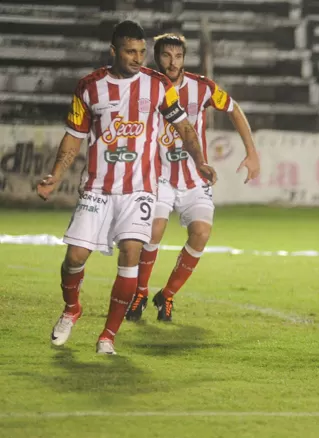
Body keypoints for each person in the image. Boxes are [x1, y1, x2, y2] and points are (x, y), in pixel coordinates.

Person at [39, 20, 216, 355]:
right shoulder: (89, 87)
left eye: (141, 51)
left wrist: (200, 160)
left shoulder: (159, 85)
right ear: (114, 51)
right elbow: (74, 137)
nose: (137, 58)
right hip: (97, 188)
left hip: (140, 190)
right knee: (74, 257)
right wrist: (56, 174)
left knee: (132, 252)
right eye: (130, 51)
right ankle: (71, 308)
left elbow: (185, 127)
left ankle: (108, 336)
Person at [124, 33, 260, 323]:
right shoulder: (144, 85)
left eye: (178, 56)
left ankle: (167, 295)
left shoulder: (202, 88)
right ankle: (141, 291)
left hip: (194, 176)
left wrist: (252, 152)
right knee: (154, 230)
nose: (173, 63)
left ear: (184, 59)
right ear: (156, 58)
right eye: (166, 56)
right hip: (157, 176)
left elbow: (234, 108)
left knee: (200, 234)